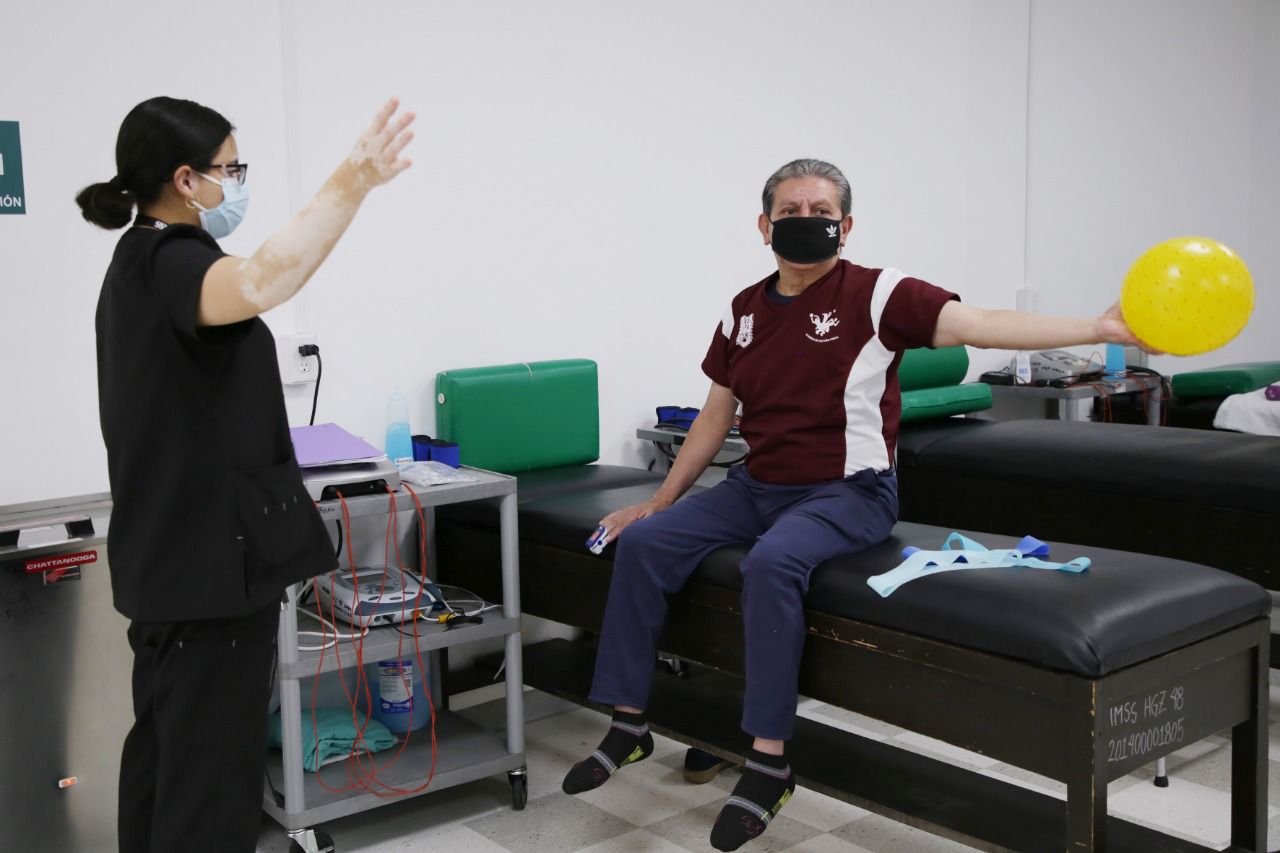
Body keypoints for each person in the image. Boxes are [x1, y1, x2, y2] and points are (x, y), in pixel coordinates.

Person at [560, 158, 1148, 851]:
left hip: (851, 490)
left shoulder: (879, 294)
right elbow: (717, 413)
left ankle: (770, 762)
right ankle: (629, 723)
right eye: (790, 211)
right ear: (764, 225)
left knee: (771, 564)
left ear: (846, 225)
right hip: (757, 485)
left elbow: (984, 323)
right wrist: (660, 501)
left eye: (821, 211)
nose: (805, 221)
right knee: (644, 541)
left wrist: (1099, 328)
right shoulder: (743, 309)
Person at [78, 96, 414, 853]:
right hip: (207, 574)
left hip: (169, 563)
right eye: (231, 169)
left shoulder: (135, 261)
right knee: (209, 784)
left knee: (166, 763)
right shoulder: (172, 262)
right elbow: (265, 280)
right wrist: (354, 179)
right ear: (186, 179)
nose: (239, 182)